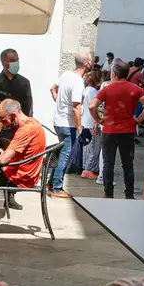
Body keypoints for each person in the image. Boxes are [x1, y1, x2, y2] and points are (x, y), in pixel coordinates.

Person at [89, 60, 144, 199]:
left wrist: (98, 120)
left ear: (114, 73)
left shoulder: (107, 89)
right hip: (128, 131)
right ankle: (129, 194)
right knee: (128, 164)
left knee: (108, 163)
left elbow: (92, 106)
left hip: (109, 130)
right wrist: (139, 119)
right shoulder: (135, 89)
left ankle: (108, 193)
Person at [0, 99, 46, 213]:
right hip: (25, 173)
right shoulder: (33, 123)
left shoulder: (25, 130)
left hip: (20, 178)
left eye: (4, 121)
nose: (4, 126)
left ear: (14, 115)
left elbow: (3, 160)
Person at [49, 49, 92, 199]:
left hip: (58, 121)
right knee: (64, 156)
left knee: (60, 153)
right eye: (91, 60)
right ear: (86, 64)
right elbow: (76, 107)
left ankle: (51, 182)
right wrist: (79, 126)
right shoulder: (78, 82)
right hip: (68, 124)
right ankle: (56, 187)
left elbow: (52, 88)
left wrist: (58, 102)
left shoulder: (66, 75)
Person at [80, 71, 102, 180]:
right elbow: (94, 107)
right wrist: (97, 122)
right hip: (91, 121)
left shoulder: (86, 90)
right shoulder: (93, 91)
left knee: (87, 147)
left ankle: (85, 167)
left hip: (85, 121)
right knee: (94, 148)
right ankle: (89, 169)